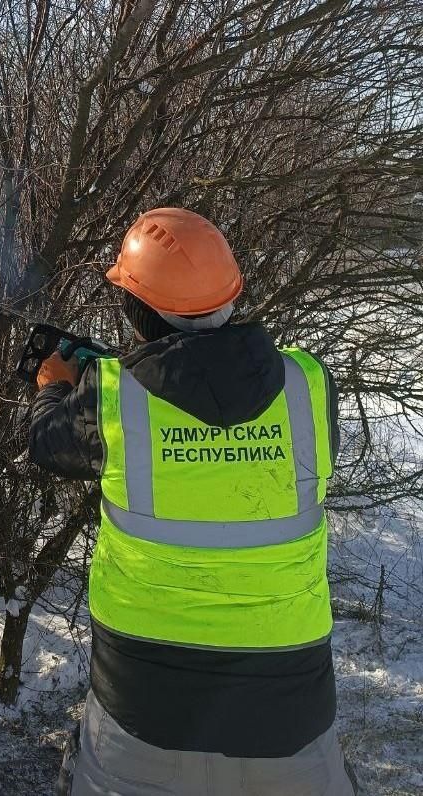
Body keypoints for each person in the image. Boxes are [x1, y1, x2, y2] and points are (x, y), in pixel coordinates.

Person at [29, 207, 358, 796]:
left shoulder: (110, 396)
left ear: (135, 311)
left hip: (142, 711)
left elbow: (46, 444)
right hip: (291, 713)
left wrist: (55, 387)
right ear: (232, 295)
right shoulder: (309, 387)